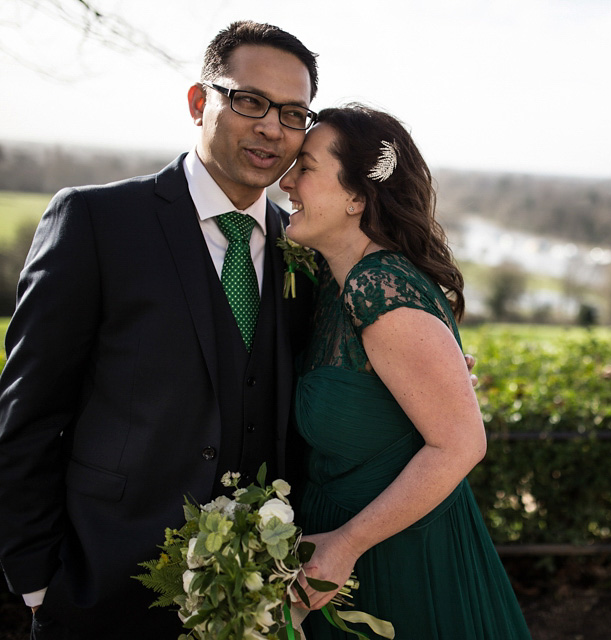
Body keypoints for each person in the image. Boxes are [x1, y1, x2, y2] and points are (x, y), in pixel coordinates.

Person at [0, 21, 319, 639]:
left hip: (258, 597)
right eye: (250, 101)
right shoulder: (96, 221)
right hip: (103, 585)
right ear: (200, 102)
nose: (272, 128)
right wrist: (36, 579)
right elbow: (26, 413)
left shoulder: (304, 247)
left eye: (293, 113)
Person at [279, 104, 531, 639]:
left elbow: (461, 445)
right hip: (343, 548)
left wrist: (345, 545)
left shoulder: (379, 287)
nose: (287, 181)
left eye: (305, 167)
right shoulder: (334, 281)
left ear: (356, 198)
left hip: (398, 561)